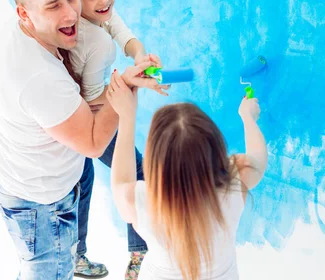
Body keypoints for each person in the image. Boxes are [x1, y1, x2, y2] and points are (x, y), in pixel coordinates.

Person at [0, 0, 158, 280]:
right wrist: (126, 86)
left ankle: (78, 255)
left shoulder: (25, 28)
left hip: (35, 182)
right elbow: (93, 140)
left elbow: (112, 21)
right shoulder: (41, 78)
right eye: (54, 6)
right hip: (42, 208)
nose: (70, 14)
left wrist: (135, 53)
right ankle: (130, 257)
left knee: (86, 173)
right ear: (24, 12)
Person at [105, 71, 268, 280]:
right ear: (217, 148)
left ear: (155, 162)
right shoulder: (235, 181)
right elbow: (258, 159)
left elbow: (122, 182)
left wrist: (126, 117)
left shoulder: (141, 201)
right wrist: (248, 118)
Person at [64, 0, 168, 280]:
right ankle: (139, 256)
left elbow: (121, 31)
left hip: (74, 117)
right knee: (136, 171)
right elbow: (94, 103)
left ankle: (77, 256)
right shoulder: (90, 40)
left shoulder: (98, 16)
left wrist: (141, 57)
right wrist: (128, 87)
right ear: (74, 0)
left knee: (82, 182)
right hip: (81, 120)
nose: (103, 0)